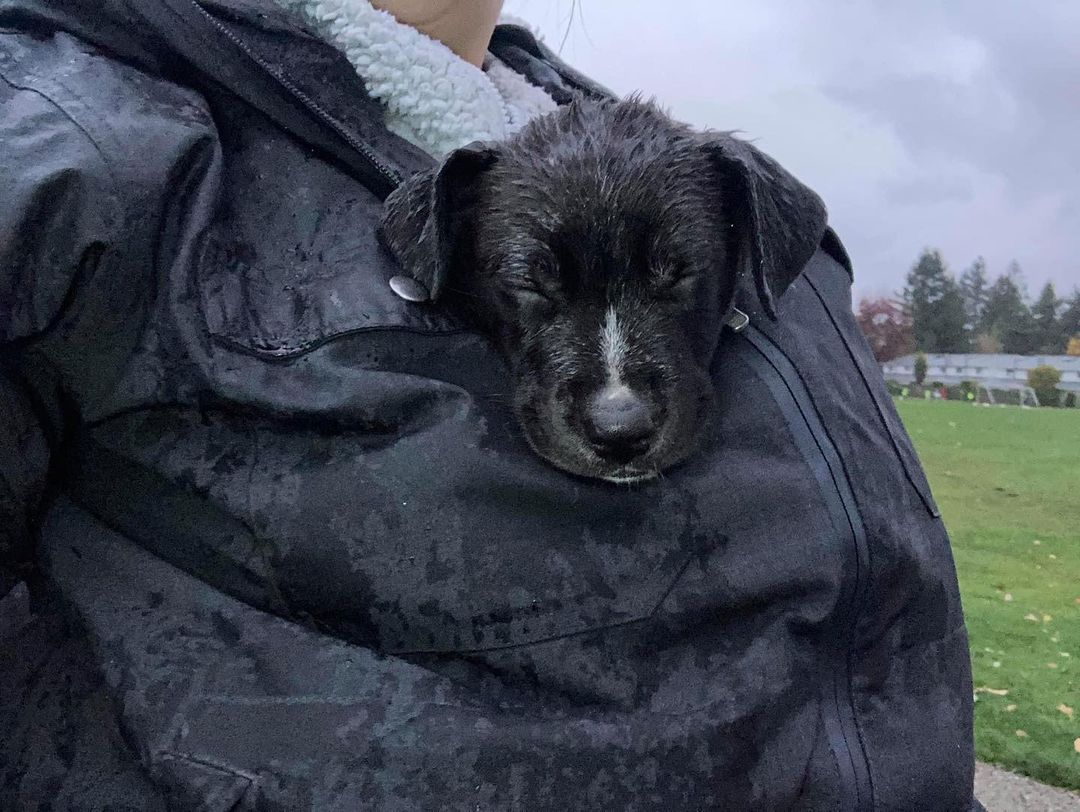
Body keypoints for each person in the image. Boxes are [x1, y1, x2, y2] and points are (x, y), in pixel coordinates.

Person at [0, 1, 984, 809]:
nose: (615, 398)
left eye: (675, 278)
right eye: (534, 287)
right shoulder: (71, 139)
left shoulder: (644, 151)